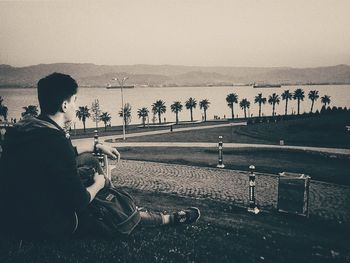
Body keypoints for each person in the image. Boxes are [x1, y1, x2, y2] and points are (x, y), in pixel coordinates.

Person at [0, 73, 200, 240]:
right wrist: (99, 183)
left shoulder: (24, 131)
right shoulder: (55, 141)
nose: (76, 106)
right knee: (111, 213)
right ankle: (165, 219)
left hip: (17, 211)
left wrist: (95, 145)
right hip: (46, 223)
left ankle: (120, 203)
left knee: (89, 160)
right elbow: (78, 201)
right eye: (74, 101)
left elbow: (56, 155)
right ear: (64, 105)